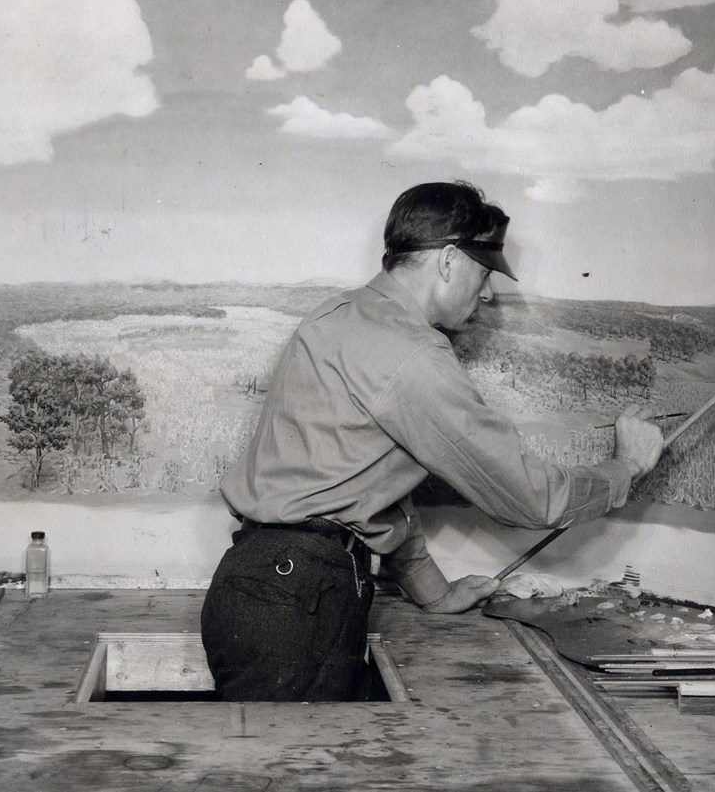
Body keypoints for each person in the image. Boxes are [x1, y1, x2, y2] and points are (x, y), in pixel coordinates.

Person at [200, 181, 664, 702]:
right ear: (448, 261)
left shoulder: (338, 316)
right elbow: (531, 497)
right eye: (485, 273)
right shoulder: (413, 356)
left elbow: (369, 481)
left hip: (255, 586)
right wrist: (628, 467)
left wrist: (433, 592)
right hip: (300, 602)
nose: (487, 293)